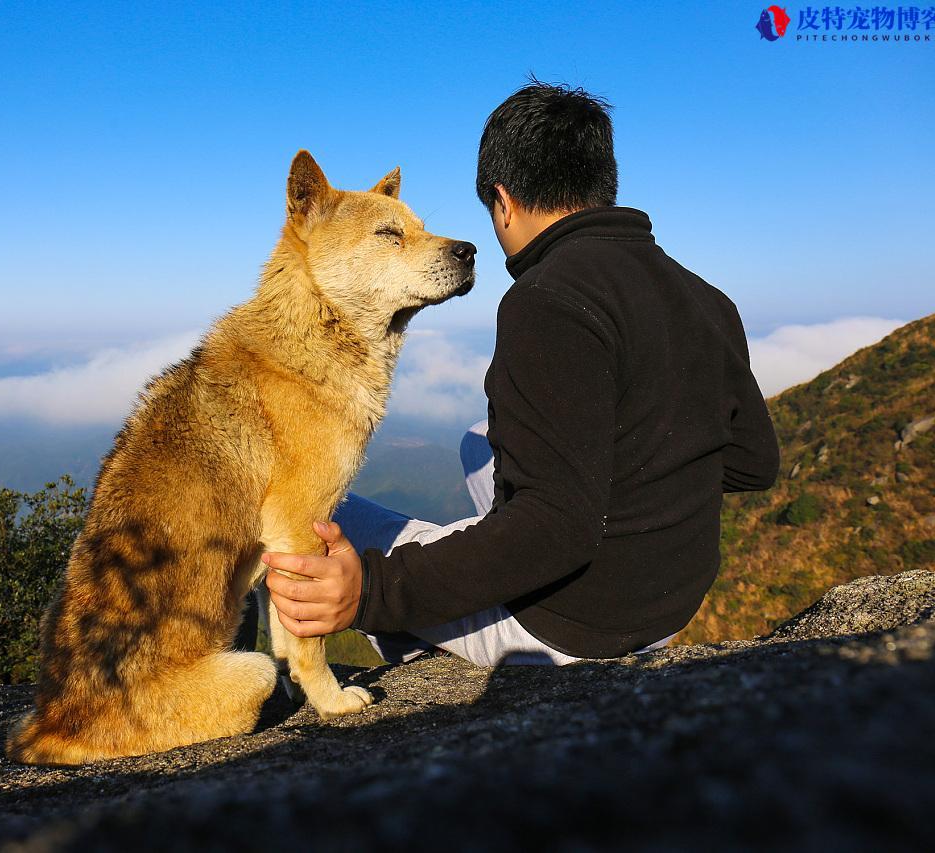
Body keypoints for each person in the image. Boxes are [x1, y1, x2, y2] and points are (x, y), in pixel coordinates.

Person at [262, 80, 780, 667]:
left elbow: (554, 529)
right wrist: (645, 476)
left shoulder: (547, 300)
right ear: (600, 183)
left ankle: (409, 651)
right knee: (475, 441)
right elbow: (752, 464)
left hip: (574, 626)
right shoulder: (706, 298)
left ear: (503, 201)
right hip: (669, 603)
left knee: (329, 512)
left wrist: (373, 591)